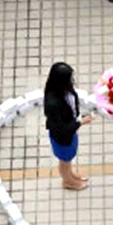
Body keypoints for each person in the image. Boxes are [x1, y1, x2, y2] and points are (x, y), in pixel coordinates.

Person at [44, 63, 95, 191]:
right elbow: (61, 128)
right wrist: (81, 122)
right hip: (62, 137)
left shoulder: (63, 89)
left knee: (67, 159)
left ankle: (71, 175)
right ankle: (68, 181)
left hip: (70, 133)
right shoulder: (53, 103)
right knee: (64, 161)